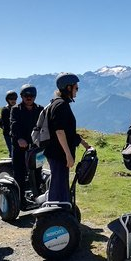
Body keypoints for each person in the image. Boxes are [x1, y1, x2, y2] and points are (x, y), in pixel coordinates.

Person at [44, 72, 92, 203]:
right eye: (76, 87)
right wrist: (68, 154)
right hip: (58, 153)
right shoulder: (61, 105)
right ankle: (54, 215)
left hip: (57, 152)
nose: (77, 90)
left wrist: (83, 143)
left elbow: (68, 131)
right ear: (68, 88)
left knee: (60, 183)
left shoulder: (59, 103)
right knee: (58, 185)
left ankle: (61, 213)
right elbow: (59, 131)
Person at [10, 84, 43, 206]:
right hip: (20, 147)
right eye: (26, 96)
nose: (29, 98)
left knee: (37, 171)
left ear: (35, 97)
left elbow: (44, 126)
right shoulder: (16, 109)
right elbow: (14, 125)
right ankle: (21, 198)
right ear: (22, 96)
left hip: (35, 146)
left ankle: (39, 196)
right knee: (20, 172)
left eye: (31, 96)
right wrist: (19, 138)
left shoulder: (40, 109)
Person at [0, 90, 17, 157]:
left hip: (16, 134)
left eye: (15, 99)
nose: (13, 100)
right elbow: (4, 123)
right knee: (12, 150)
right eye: (11, 99)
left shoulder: (17, 108)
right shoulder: (5, 110)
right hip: (8, 134)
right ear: (7, 100)